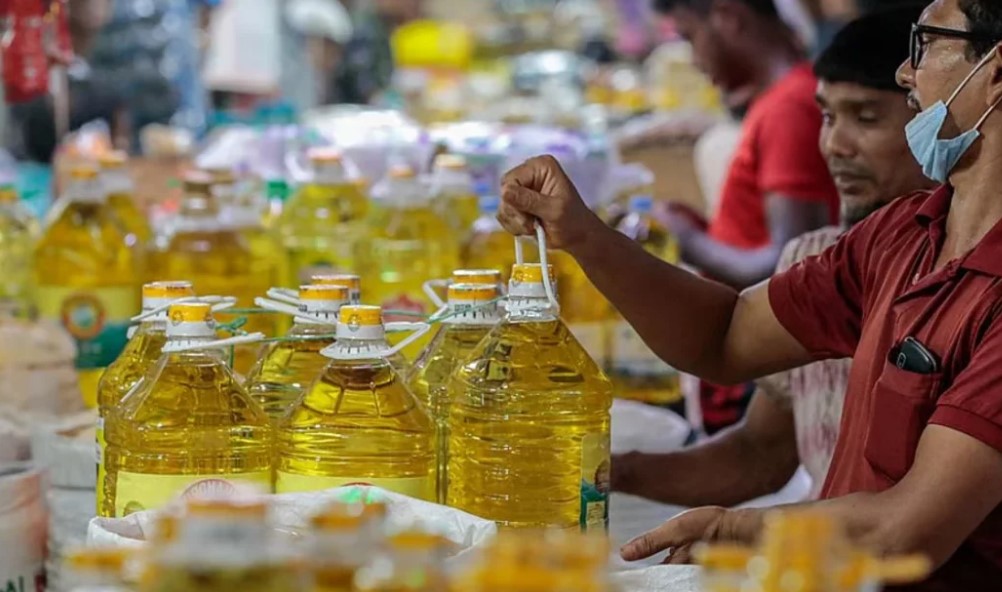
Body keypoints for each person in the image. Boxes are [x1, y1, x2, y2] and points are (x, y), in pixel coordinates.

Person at [497, 0, 1002, 587]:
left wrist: (737, 531)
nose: (905, 72)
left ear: (994, 69)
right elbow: (726, 336)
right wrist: (583, 236)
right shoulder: (903, 235)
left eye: (928, 44)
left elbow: (906, 531)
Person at [612, 4, 934, 507]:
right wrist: (604, 471)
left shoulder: (961, 285)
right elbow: (758, 454)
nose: (834, 145)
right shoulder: (816, 260)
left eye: (866, 118)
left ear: (937, 124)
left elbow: (903, 523)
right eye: (828, 116)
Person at [653, 0, 838, 291]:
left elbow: (790, 264)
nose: (695, 61)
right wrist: (705, 232)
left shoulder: (787, 109)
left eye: (690, 37)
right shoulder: (780, 97)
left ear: (728, 17)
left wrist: (686, 238)